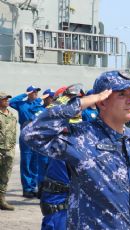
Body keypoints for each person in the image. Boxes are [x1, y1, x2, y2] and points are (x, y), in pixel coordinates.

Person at [21, 70, 130, 229]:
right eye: (122, 94)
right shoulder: (81, 136)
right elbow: (31, 134)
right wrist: (83, 102)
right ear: (102, 102)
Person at [38, 84, 85, 229]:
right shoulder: (54, 126)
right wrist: (59, 104)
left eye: (78, 102)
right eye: (71, 101)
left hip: (80, 196)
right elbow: (40, 124)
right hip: (58, 197)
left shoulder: (88, 128)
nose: (75, 106)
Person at [9, 85, 43, 198]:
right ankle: (27, 188)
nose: (36, 94)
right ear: (29, 93)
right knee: (26, 162)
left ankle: (34, 187)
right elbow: (11, 102)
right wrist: (24, 94)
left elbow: (44, 105)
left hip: (37, 136)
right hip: (25, 135)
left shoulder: (38, 104)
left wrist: (38, 99)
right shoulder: (21, 104)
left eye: (36, 92)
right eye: (33, 92)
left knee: (35, 162)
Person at [0, 92, 17, 210]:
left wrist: (12, 148)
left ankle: (1, 200)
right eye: (4, 99)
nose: (7, 101)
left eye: (7, 99)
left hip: (9, 151)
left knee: (5, 176)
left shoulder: (12, 116)